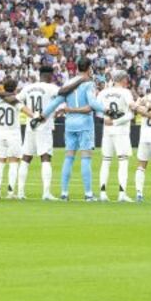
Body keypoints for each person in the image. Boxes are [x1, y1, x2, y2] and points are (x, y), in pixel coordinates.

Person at [42, 58, 102, 201]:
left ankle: (64, 192)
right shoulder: (88, 83)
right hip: (84, 125)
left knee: (68, 158)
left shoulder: (68, 83)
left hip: (70, 125)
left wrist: (42, 115)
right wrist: (108, 111)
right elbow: (92, 103)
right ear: (89, 68)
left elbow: (55, 102)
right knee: (86, 157)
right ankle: (88, 194)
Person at [18, 65, 60, 200]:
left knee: (26, 157)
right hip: (44, 126)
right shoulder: (51, 88)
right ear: (48, 75)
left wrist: (30, 115)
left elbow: (16, 101)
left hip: (31, 125)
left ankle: (20, 192)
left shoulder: (28, 87)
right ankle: (46, 193)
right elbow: (62, 98)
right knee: (46, 157)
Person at [97, 71, 135, 202]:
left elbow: (97, 111)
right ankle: (122, 194)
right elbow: (131, 113)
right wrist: (115, 121)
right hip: (121, 131)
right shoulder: (126, 92)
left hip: (107, 131)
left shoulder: (103, 92)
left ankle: (102, 193)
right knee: (123, 161)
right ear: (123, 79)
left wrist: (105, 120)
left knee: (106, 161)